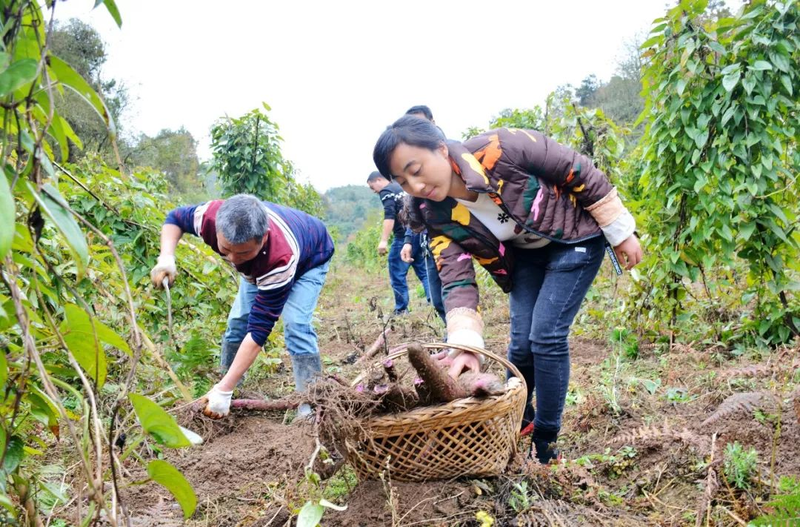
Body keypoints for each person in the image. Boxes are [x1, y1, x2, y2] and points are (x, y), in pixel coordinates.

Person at [373, 116, 643, 463]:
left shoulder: (500, 148)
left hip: (572, 237)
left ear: (440, 149)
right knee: (519, 345)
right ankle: (517, 420)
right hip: (526, 256)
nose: (415, 185)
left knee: (546, 335)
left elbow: (575, 168)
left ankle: (546, 442)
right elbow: (456, 279)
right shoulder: (433, 216)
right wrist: (466, 346)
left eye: (416, 169)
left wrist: (620, 230)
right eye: (402, 180)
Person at [150, 194, 334, 419]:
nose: (234, 260)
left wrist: (223, 390)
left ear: (263, 238)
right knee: (237, 322)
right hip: (260, 268)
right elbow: (175, 219)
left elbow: (259, 332)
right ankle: (232, 391)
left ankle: (310, 406)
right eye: (226, 249)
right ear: (217, 229)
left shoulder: (279, 260)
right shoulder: (209, 217)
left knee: (297, 325)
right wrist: (166, 257)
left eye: (244, 252)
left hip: (311, 258)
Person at [399, 105, 446, 325]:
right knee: (437, 298)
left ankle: (462, 339)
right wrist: (409, 240)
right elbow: (415, 208)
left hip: (452, 238)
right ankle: (454, 336)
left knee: (454, 291)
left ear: (433, 123)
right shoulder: (410, 166)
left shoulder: (446, 155)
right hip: (430, 240)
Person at [366, 171, 430, 315]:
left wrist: (383, 241)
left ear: (378, 180)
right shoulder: (399, 187)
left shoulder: (387, 191)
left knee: (397, 273)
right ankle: (433, 301)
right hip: (417, 233)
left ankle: (401, 309)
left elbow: (389, 216)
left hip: (402, 237)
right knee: (424, 271)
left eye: (372, 187)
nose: (374, 191)